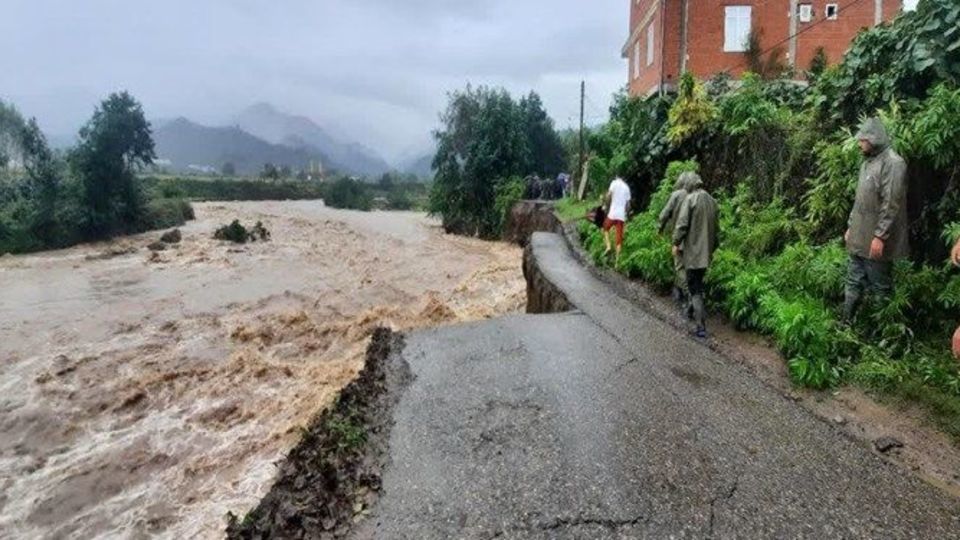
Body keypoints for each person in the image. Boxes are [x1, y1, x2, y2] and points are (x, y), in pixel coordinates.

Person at [842, 117, 909, 322]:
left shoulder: (893, 163)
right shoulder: (867, 163)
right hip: (859, 234)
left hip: (876, 239)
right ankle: (846, 323)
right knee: (853, 280)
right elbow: (860, 199)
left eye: (863, 140)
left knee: (880, 286)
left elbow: (891, 204)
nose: (859, 144)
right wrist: (851, 226)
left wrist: (880, 236)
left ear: (873, 139)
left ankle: (884, 334)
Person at [672, 172, 718, 338]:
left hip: (693, 254)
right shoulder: (712, 201)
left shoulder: (690, 200)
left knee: (695, 288)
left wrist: (676, 243)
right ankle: (690, 311)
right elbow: (717, 231)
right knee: (697, 284)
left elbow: (682, 225)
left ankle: (700, 327)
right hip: (707, 254)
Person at [658, 171, 697, 310]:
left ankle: (690, 298)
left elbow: (664, 214)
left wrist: (659, 229)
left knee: (680, 267)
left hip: (679, 238)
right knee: (688, 268)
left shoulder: (677, 195)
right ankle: (679, 292)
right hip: (694, 241)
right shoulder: (696, 197)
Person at [603, 176, 632, 263]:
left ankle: (608, 246)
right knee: (618, 238)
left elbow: (609, 195)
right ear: (624, 179)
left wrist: (605, 205)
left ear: (617, 177)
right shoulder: (627, 187)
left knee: (605, 228)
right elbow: (628, 205)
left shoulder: (614, 183)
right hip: (621, 216)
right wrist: (627, 215)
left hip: (613, 213)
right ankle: (617, 261)